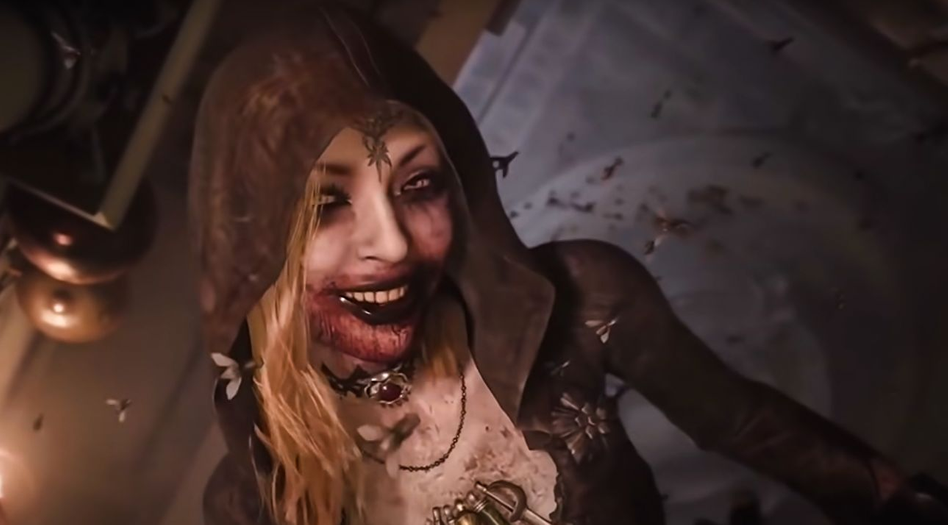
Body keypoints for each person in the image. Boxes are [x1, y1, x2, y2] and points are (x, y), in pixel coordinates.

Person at [189, 6, 948, 525]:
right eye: (327, 205)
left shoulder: (587, 299)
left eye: (418, 185)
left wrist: (893, 500)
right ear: (255, 245)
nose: (391, 243)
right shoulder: (255, 496)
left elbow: (744, 422)